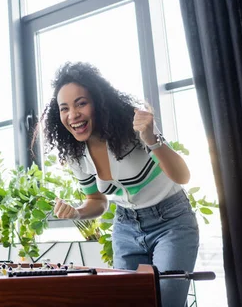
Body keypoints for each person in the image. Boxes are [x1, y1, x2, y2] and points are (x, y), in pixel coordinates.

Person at [40, 62, 199, 307]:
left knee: (166, 301)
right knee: (125, 300)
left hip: (172, 222)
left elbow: (182, 176)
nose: (72, 115)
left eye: (81, 103)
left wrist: (152, 140)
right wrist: (78, 211)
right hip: (125, 228)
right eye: (64, 108)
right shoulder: (75, 153)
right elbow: (97, 201)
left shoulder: (134, 125)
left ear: (99, 102)